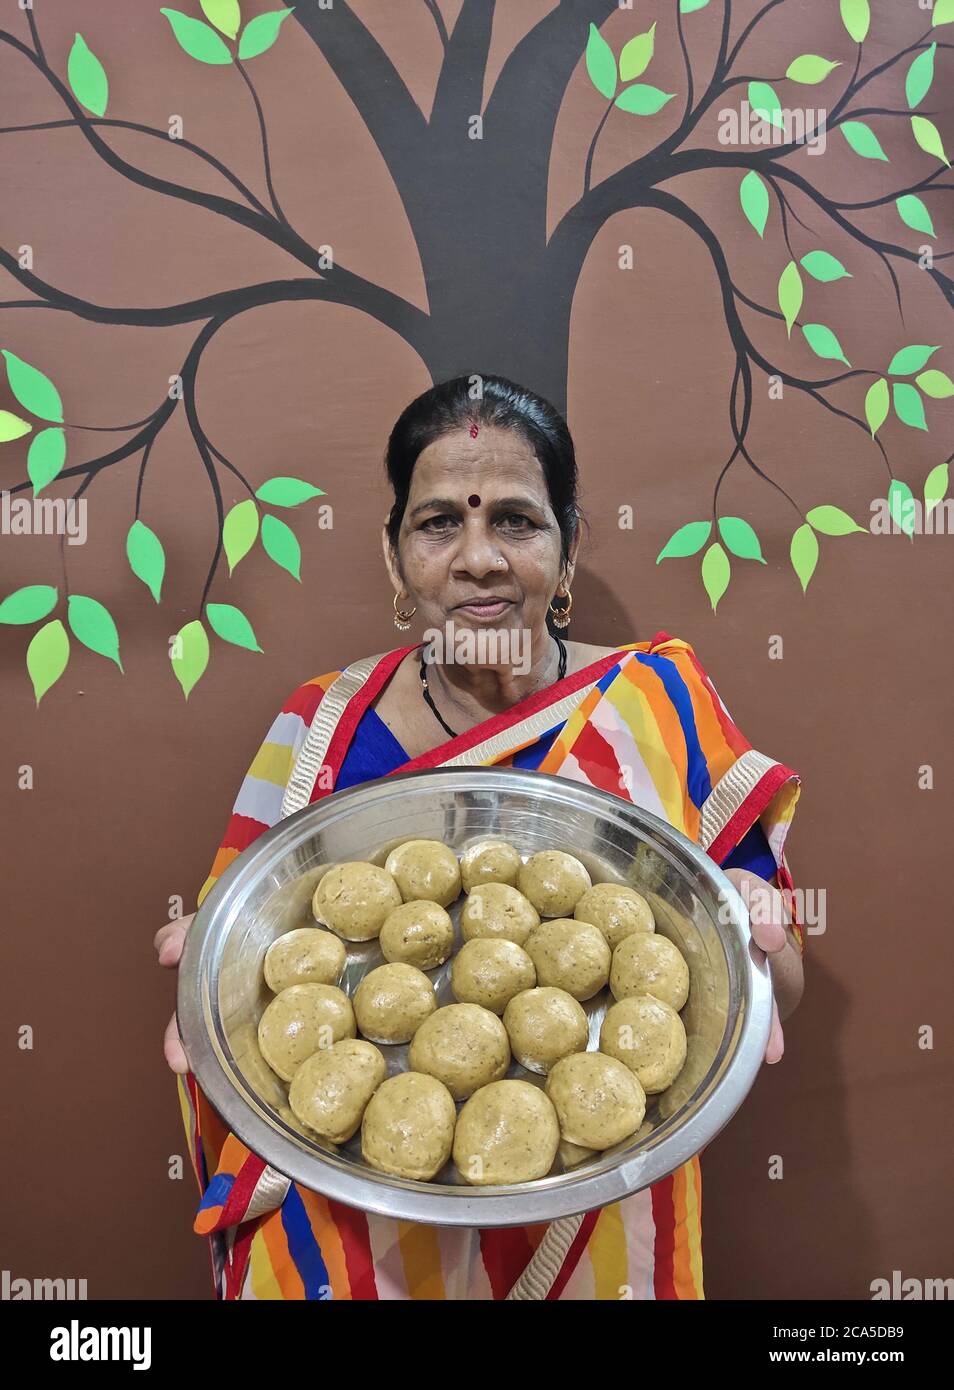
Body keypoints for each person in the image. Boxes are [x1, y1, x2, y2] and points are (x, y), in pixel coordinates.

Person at [155, 373, 804, 1300]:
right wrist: (203, 975)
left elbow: (783, 978)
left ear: (569, 547)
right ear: (393, 557)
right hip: (352, 1230)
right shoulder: (322, 725)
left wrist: (756, 944)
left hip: (600, 1206)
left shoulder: (656, 706)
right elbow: (239, 949)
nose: (478, 559)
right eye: (437, 525)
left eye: (515, 521)